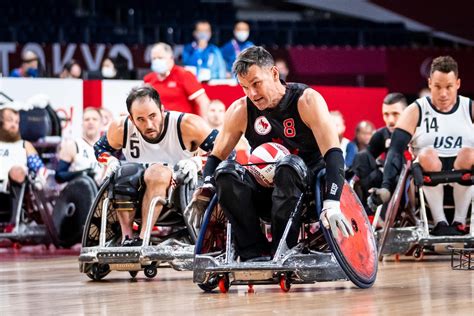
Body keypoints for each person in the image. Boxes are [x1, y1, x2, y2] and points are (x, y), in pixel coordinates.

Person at [193, 46, 353, 261]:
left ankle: (282, 248)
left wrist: (332, 203)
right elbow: (217, 156)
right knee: (226, 172)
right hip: (264, 191)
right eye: (244, 87)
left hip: (305, 188)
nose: (252, 93)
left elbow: (334, 154)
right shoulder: (241, 109)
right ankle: (253, 252)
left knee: (288, 165)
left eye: (256, 84)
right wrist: (205, 185)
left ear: (274, 74)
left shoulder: (306, 100)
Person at [93, 85, 217, 246]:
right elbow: (99, 148)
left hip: (181, 195)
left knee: (156, 172)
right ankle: (128, 239)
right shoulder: (121, 127)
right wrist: (109, 161)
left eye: (153, 116)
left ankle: (143, 239)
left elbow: (226, 150)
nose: (149, 124)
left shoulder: (187, 124)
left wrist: (198, 161)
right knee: (124, 171)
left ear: (162, 110)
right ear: (131, 119)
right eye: (141, 119)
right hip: (135, 193)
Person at [373, 56, 474, 236]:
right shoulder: (415, 110)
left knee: (468, 153)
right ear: (429, 83)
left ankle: (459, 221)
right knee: (427, 154)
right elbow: (395, 151)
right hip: (425, 178)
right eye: (437, 87)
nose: (443, 93)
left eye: (449, 87)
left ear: (458, 84)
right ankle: (440, 221)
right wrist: (387, 186)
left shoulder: (469, 108)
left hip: (465, 176)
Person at [351, 93, 407, 213]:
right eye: (386, 114)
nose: (390, 120)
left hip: (408, 180)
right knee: (362, 157)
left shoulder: (417, 132)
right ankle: (368, 209)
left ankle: (385, 213)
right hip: (385, 182)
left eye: (395, 114)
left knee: (395, 155)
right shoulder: (382, 134)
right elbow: (364, 160)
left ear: (406, 113)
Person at [0, 106, 47, 226]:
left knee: (17, 171)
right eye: (10, 120)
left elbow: (39, 169)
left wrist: (41, 177)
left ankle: (13, 223)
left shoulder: (24, 145)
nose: (14, 125)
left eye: (17, 122)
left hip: (13, 184)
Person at [144, 42, 210, 116]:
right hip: (159, 124)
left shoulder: (184, 75)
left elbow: (203, 101)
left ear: (171, 58)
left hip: (182, 123)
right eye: (154, 58)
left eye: (160, 58)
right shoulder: (148, 79)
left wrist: (203, 124)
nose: (156, 61)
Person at [55, 108, 105, 186]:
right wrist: (83, 173)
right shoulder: (73, 145)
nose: (90, 122)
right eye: (87, 119)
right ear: (82, 124)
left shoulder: (108, 148)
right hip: (79, 193)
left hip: (102, 195)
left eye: (94, 119)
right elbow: (59, 176)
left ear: (101, 124)